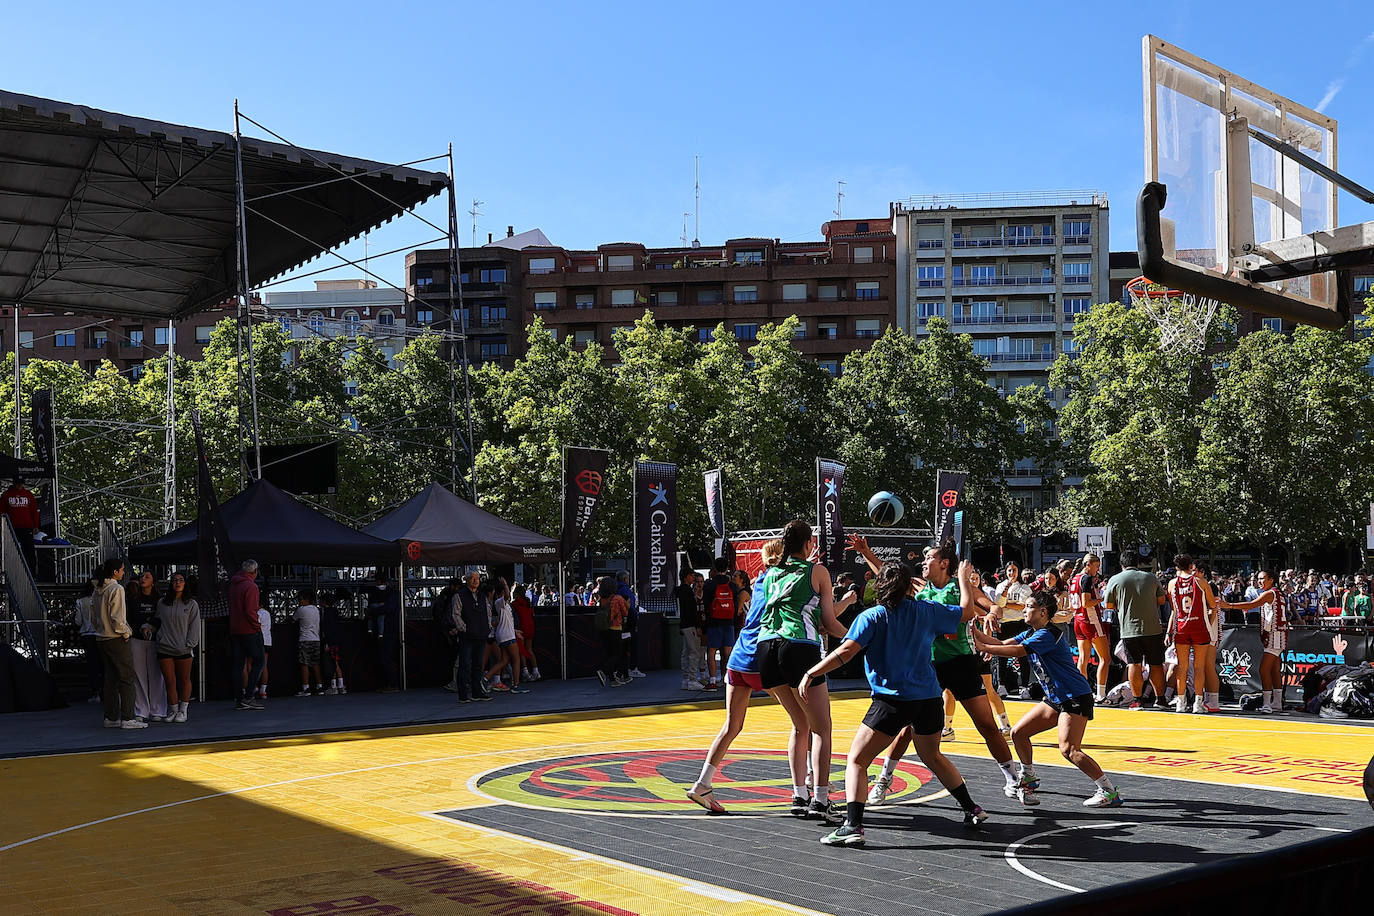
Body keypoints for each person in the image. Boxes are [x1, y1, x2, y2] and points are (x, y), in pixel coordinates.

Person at [808, 559, 989, 847]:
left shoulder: (873, 616)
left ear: (880, 587)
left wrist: (813, 671)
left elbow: (846, 652)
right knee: (932, 755)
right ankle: (972, 808)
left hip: (892, 701)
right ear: (910, 586)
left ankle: (853, 825)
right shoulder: (926, 611)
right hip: (929, 700)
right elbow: (967, 612)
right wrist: (964, 578)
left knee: (857, 760)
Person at [853, 538, 1020, 807]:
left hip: (962, 662)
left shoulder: (961, 587)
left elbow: (992, 607)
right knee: (907, 729)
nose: (923, 562)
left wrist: (991, 614)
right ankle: (884, 780)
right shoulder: (920, 589)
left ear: (944, 563)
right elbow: (889, 574)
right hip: (929, 666)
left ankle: (1013, 778)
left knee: (987, 725)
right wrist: (867, 553)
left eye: (928, 557)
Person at [972, 590, 1123, 809]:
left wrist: (985, 647)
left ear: (1043, 612)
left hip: (1074, 696)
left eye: (1029, 607)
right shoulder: (1033, 632)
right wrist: (971, 629)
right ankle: (1029, 776)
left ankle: (1109, 791)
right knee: (1018, 733)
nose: (1024, 610)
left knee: (1070, 750)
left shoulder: (1048, 634)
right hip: (1056, 698)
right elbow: (1002, 643)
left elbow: (1017, 652)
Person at [754, 519, 852, 823]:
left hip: (766, 648)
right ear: (809, 544)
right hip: (798, 646)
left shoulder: (770, 573)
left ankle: (799, 794)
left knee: (800, 725)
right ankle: (821, 799)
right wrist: (857, 640)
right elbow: (828, 623)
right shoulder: (817, 571)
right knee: (822, 728)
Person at [687, 539, 786, 814]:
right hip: (759, 658)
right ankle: (811, 786)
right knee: (806, 722)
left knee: (731, 726)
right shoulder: (781, 582)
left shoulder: (759, 581)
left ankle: (702, 783)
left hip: (740, 659)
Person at [1103, 550, 1168, 710]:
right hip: (1153, 627)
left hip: (1129, 629)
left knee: (1134, 664)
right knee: (1156, 665)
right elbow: (1161, 600)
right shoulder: (1151, 578)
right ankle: (1160, 700)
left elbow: (1108, 605)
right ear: (1139, 563)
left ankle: (1138, 700)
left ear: (1122, 564)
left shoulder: (1115, 579)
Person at [1219, 570, 1287, 713]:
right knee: (1274, 670)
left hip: (1275, 635)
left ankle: (1267, 703)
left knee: (1264, 669)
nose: (1260, 581)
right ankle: (1277, 702)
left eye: (1263, 579)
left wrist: (1229, 605)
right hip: (1277, 634)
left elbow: (1251, 605)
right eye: (1259, 579)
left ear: (1271, 580)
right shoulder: (1277, 593)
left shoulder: (1269, 593)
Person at [1165, 554, 1219, 714]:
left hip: (1181, 627)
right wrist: (1209, 622)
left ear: (1176, 568)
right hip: (1199, 627)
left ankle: (1180, 702)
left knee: (1182, 666)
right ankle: (1198, 703)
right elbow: (1212, 605)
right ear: (1191, 567)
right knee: (1199, 666)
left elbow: (1174, 609)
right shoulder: (1201, 582)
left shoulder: (1171, 584)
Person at [93, 558, 143, 729]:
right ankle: (128, 718)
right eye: (121, 569)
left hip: (101, 637)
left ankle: (111, 717)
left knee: (111, 678)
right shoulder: (116, 588)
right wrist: (126, 632)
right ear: (115, 572)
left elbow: (93, 615)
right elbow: (118, 617)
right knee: (127, 677)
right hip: (115, 637)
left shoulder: (98, 589)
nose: (123, 572)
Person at [154, 571, 199, 723]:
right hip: (165, 647)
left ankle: (183, 710)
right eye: (174, 580)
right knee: (169, 680)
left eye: (180, 580)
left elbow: (195, 626)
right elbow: (157, 621)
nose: (177, 583)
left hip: (183, 648)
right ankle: (173, 710)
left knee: (184, 679)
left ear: (185, 583)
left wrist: (190, 644)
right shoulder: (162, 603)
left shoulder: (191, 604)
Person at [126, 569, 168, 722]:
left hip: (155, 640)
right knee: (139, 675)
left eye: (147, 576)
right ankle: (141, 710)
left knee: (157, 674)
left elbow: (162, 618)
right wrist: (139, 628)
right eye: (142, 576)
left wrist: (150, 627)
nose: (143, 579)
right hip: (136, 639)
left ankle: (158, 709)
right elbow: (129, 619)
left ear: (153, 581)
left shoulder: (160, 600)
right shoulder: (132, 599)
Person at [1069, 553, 1111, 702]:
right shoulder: (1086, 578)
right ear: (1088, 565)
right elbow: (1086, 602)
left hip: (1078, 621)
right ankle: (1101, 695)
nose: (1097, 570)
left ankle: (1081, 693)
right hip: (1090, 620)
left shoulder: (1074, 579)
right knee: (1105, 658)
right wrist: (1102, 599)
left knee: (1083, 658)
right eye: (1096, 566)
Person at [229, 559, 264, 710]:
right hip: (249, 630)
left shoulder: (233, 585)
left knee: (238, 665)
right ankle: (249, 696)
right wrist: (257, 626)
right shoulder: (251, 586)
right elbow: (250, 611)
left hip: (235, 630)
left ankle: (239, 698)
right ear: (254, 572)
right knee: (259, 661)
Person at [452, 572, 492, 703]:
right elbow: (456, 614)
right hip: (467, 637)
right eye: (472, 579)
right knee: (464, 665)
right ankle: (463, 695)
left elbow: (488, 612)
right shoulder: (459, 595)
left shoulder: (481, 596)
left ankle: (477, 692)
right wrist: (464, 629)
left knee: (478, 666)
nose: (475, 581)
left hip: (481, 635)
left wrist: (488, 627)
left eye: (477, 579)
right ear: (467, 580)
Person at [485, 578, 528, 693]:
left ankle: (485, 678)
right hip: (507, 636)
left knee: (504, 660)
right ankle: (516, 685)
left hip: (506, 634)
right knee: (516, 659)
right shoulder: (500, 602)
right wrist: (505, 584)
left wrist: (515, 631)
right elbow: (508, 595)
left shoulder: (503, 605)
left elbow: (504, 621)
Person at [701, 558, 739, 690]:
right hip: (729, 622)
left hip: (714, 622)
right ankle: (729, 678)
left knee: (711, 652)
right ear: (727, 568)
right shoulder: (732, 585)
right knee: (728, 652)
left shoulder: (710, 585)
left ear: (715, 568)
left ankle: (712, 681)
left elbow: (705, 605)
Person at [368, 569, 401, 693]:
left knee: (386, 657)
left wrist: (373, 611)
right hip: (389, 628)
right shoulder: (393, 594)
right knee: (386, 657)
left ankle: (392, 683)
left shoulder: (382, 594)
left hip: (387, 629)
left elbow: (386, 608)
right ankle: (391, 683)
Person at [595, 576, 630, 686]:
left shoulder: (602, 599)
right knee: (617, 654)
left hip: (603, 628)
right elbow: (625, 612)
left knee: (609, 653)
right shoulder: (617, 598)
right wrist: (627, 602)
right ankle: (603, 671)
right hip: (615, 628)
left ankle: (612, 680)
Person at [2, 475, 41, 573]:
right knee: (10, 551)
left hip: (26, 527)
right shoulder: (6, 495)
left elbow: (34, 511)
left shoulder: (28, 494)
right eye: (17, 483)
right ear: (14, 483)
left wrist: (36, 525)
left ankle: (31, 574)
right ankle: (11, 572)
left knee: (29, 551)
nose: (19, 485)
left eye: (21, 483)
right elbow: (1, 511)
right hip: (11, 528)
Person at [73, 576, 103, 704]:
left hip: (86, 633)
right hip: (100, 633)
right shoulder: (100, 600)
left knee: (92, 664)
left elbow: (78, 621)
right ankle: (105, 690)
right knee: (103, 662)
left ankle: (95, 691)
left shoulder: (80, 601)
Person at [676, 567, 703, 691]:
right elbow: (692, 610)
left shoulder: (680, 591)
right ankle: (692, 679)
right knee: (694, 652)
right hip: (690, 625)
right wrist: (697, 626)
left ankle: (686, 679)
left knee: (686, 652)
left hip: (684, 624)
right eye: (692, 575)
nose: (693, 578)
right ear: (686, 576)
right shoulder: (687, 591)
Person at [616, 570, 646, 679]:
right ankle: (632, 669)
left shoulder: (615, 590)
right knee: (632, 645)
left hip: (619, 622)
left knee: (623, 648)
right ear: (625, 579)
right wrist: (634, 616)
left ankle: (622, 671)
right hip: (628, 621)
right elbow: (629, 606)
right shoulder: (625, 590)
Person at [294, 589, 323, 697]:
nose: (299, 601)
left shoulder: (301, 610)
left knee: (304, 663)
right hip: (316, 639)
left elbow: (293, 619)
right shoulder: (316, 609)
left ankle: (306, 687)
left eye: (300, 599)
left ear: (306, 600)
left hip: (305, 639)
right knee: (315, 663)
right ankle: (319, 686)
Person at [320, 590, 347, 695]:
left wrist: (327, 642)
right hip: (337, 641)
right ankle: (340, 685)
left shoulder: (326, 613)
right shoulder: (335, 612)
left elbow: (326, 629)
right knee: (336, 663)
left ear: (324, 602)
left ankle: (334, 686)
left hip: (331, 642)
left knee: (332, 664)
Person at [512, 584, 540, 682]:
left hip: (521, 629)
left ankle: (525, 672)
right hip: (530, 627)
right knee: (529, 650)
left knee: (522, 651)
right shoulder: (528, 603)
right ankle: (536, 671)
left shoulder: (514, 604)